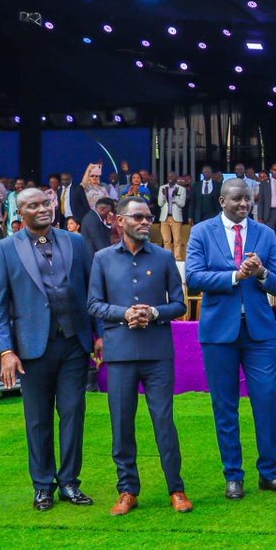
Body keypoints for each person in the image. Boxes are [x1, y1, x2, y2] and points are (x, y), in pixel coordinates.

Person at [185, 179, 276, 500]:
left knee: (266, 401)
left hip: (259, 332)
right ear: (222, 200)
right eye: (237, 199)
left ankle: (268, 473)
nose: (244, 204)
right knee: (225, 406)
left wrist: (260, 272)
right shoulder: (202, 232)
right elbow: (193, 278)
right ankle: (233, 475)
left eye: (248, 199)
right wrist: (236, 276)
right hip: (219, 332)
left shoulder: (265, 233)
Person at [0, 188, 98, 511]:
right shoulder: (5, 249)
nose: (43, 209)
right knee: (37, 419)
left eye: (46, 203)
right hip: (31, 349)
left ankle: (68, 482)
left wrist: (99, 334)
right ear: (19, 213)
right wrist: (6, 350)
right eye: (33, 205)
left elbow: (92, 291)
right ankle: (42, 485)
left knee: (73, 413)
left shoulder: (75, 242)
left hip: (73, 344)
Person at [88, 196, 190, 515]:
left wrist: (154, 312)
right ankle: (127, 490)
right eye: (139, 217)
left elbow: (179, 304)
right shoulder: (102, 259)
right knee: (121, 424)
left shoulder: (162, 258)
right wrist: (124, 313)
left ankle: (176, 488)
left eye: (149, 217)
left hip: (157, 352)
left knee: (163, 422)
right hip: (119, 354)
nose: (146, 222)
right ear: (120, 221)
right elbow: (93, 304)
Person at [156, 172, 187, 261]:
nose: (171, 178)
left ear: (176, 178)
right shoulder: (162, 188)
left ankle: (178, 258)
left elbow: (182, 204)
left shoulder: (181, 189)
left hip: (176, 217)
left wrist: (174, 198)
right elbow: (160, 203)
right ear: (167, 178)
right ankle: (167, 259)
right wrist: (164, 196)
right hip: (164, 217)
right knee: (166, 240)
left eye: (173, 177)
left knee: (177, 240)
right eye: (169, 176)